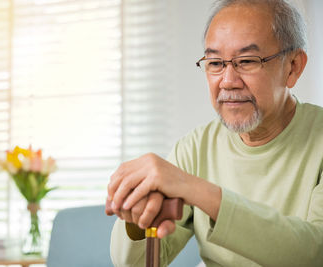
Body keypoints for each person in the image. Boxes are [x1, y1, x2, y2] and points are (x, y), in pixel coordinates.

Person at [106, 0, 323, 266]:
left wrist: (197, 190)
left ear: (293, 66)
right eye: (215, 63)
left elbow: (313, 252)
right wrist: (137, 219)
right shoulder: (195, 148)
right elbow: (134, 264)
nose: (228, 81)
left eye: (246, 61)